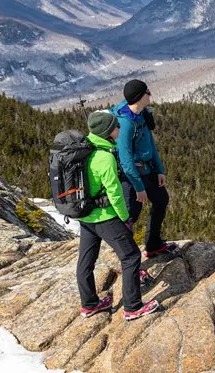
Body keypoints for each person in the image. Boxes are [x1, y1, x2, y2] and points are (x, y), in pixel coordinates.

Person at [77, 110, 159, 321]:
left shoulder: (83, 150)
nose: (119, 129)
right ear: (107, 132)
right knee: (131, 256)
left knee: (86, 260)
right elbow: (114, 192)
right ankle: (132, 307)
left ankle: (90, 304)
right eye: (116, 127)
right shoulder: (104, 157)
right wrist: (125, 217)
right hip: (104, 215)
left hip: (85, 215)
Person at [112, 79, 176, 258]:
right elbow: (125, 160)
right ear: (140, 97)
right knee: (131, 216)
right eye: (147, 92)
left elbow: (150, 143)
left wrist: (160, 169)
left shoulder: (141, 114)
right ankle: (129, 261)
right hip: (131, 177)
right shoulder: (125, 124)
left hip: (148, 170)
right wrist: (139, 188)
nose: (150, 94)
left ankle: (153, 244)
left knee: (161, 199)